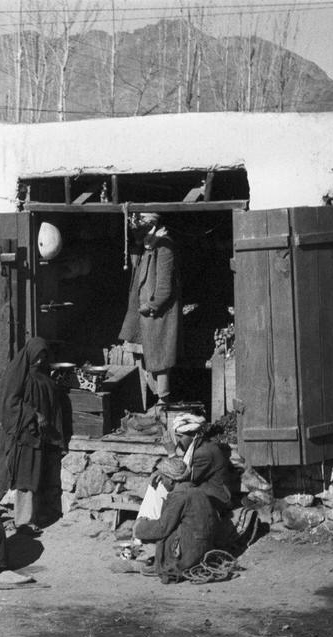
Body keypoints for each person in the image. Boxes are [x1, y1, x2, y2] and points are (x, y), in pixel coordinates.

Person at [0, 336, 71, 533]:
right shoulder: (18, 375)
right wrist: (34, 413)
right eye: (37, 356)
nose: (41, 361)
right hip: (21, 436)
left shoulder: (43, 375)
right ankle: (22, 521)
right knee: (23, 477)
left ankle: (30, 517)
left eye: (44, 356)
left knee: (34, 476)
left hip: (37, 437)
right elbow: (10, 403)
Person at [118, 212, 182, 410]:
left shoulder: (164, 247)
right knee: (147, 354)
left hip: (156, 314)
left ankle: (163, 401)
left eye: (138, 228)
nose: (134, 232)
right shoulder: (148, 246)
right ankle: (155, 400)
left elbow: (164, 287)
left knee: (160, 357)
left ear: (150, 226)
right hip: (142, 313)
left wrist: (152, 306)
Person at [132, 456, 216, 584]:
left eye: (163, 479)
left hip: (188, 554)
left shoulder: (179, 496)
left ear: (171, 481)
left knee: (159, 531)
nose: (161, 482)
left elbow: (162, 528)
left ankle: (164, 564)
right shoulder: (199, 492)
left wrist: (139, 527)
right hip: (204, 550)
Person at [166, 412, 235, 513]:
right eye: (177, 436)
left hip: (218, 500)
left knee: (174, 492)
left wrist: (171, 453)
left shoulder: (203, 453)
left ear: (193, 435)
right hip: (206, 492)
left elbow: (182, 478)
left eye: (180, 436)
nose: (177, 440)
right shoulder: (198, 447)